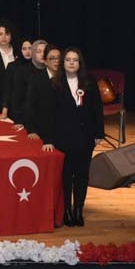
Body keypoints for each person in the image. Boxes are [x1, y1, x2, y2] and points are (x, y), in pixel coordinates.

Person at [49, 47, 104, 227]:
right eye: (68, 60)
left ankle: (78, 209)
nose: (71, 63)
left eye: (75, 60)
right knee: (66, 176)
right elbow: (50, 113)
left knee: (81, 175)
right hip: (63, 138)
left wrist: (99, 133)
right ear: (63, 63)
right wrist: (50, 139)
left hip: (85, 137)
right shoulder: (55, 84)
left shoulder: (89, 82)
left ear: (80, 63)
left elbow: (97, 108)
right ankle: (66, 210)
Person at [26, 44, 61, 142]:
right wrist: (31, 129)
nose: (56, 61)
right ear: (45, 61)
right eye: (52, 58)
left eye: (58, 58)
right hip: (42, 130)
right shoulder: (36, 79)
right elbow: (30, 105)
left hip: (63, 129)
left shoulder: (67, 78)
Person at [11, 39, 47, 127]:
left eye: (45, 51)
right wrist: (18, 120)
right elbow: (17, 97)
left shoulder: (53, 71)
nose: (42, 54)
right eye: (38, 51)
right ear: (33, 53)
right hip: (27, 120)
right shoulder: (22, 70)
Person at [0, 38, 32, 121]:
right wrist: (4, 112)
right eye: (24, 49)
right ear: (20, 50)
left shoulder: (37, 66)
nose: (27, 51)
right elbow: (7, 90)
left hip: (33, 109)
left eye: (30, 48)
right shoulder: (12, 66)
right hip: (16, 109)